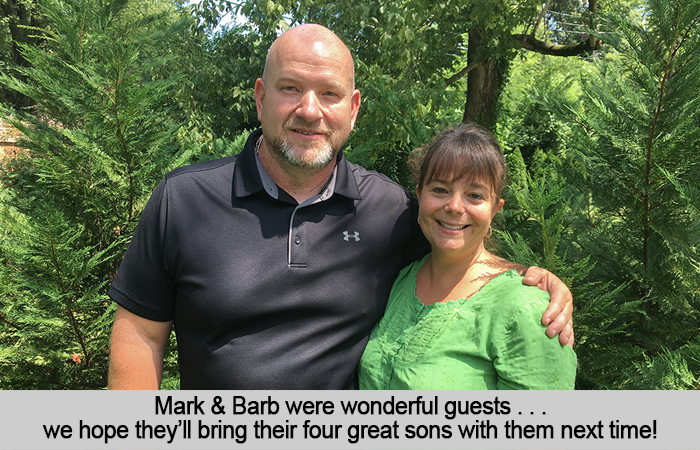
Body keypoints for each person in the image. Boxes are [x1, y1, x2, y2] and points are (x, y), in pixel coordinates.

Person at [107, 24, 574, 390]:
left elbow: (458, 245)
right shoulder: (184, 200)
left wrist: (532, 281)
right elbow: (140, 335)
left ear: (352, 108)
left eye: (329, 94)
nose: (310, 110)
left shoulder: (389, 210)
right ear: (260, 96)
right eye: (290, 88)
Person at [358, 123, 577, 390]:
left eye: (474, 195)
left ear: (495, 209)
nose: (454, 206)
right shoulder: (402, 278)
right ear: (419, 194)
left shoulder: (527, 308)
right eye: (440, 189)